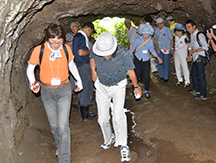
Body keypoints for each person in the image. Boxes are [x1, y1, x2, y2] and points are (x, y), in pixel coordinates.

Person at [26, 24, 83, 163]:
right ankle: (60, 146)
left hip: (64, 89)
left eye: (60, 41)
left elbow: (72, 66)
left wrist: (79, 81)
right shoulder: (39, 50)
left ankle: (64, 158)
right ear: (47, 40)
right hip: (47, 91)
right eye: (53, 42)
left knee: (63, 126)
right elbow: (30, 69)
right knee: (54, 126)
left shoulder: (66, 49)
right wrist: (32, 82)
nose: (57, 45)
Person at [90, 32, 142, 162]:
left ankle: (123, 145)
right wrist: (93, 72)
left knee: (118, 116)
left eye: (108, 52)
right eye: (104, 53)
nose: (106, 55)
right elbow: (91, 58)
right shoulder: (96, 50)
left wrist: (136, 86)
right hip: (101, 87)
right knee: (102, 119)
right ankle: (109, 138)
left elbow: (130, 71)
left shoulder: (123, 53)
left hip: (118, 87)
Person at [72, 22, 97, 121]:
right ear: (87, 28)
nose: (90, 34)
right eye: (90, 31)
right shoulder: (81, 37)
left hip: (79, 65)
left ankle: (83, 113)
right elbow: (81, 52)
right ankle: (85, 115)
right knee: (87, 88)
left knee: (82, 88)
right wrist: (91, 51)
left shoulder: (78, 36)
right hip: (84, 65)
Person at [129, 26, 163, 99]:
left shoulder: (150, 41)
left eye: (148, 34)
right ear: (142, 33)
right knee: (136, 75)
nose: (146, 35)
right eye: (145, 34)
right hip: (138, 59)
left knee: (147, 76)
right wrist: (127, 58)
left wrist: (158, 57)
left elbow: (152, 50)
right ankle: (135, 89)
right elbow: (132, 49)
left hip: (146, 59)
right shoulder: (137, 40)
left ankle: (146, 91)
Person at [185, 19, 208, 100]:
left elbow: (205, 47)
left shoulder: (199, 35)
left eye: (189, 27)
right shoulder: (192, 35)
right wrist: (189, 55)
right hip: (195, 57)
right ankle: (197, 89)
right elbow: (191, 47)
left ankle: (203, 94)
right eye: (187, 28)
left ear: (194, 26)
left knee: (201, 76)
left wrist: (195, 50)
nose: (188, 29)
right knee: (194, 74)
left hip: (200, 57)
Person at [154, 17, 174, 83]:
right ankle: (161, 76)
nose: (160, 25)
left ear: (163, 23)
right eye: (159, 24)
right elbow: (156, 39)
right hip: (159, 49)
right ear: (157, 25)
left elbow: (171, 39)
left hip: (166, 49)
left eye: (161, 23)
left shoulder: (167, 30)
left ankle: (166, 77)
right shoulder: (156, 30)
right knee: (160, 63)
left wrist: (172, 48)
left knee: (166, 63)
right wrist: (156, 49)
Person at [173, 23, 190, 88]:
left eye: (179, 31)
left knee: (185, 68)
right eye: (176, 31)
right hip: (177, 54)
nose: (177, 32)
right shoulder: (176, 38)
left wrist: (189, 55)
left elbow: (189, 47)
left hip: (183, 55)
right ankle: (179, 79)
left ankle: (187, 81)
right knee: (177, 67)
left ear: (182, 31)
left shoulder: (185, 38)